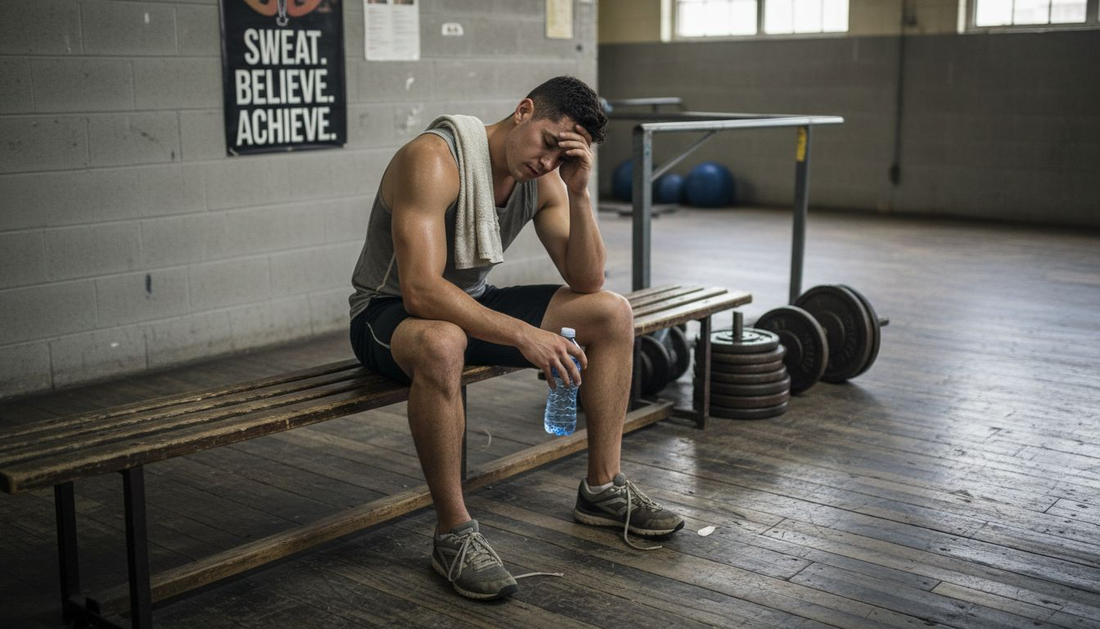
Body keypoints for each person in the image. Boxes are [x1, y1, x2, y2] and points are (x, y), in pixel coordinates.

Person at [348, 76, 684, 601]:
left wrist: (578, 192)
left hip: (469, 303)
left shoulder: (546, 177)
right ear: (524, 111)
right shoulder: (434, 159)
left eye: (562, 156)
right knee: (442, 343)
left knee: (611, 313)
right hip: (388, 313)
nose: (548, 162)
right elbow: (419, 291)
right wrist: (525, 335)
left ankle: (601, 487)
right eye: (549, 144)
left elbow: (588, 280)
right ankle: (453, 535)